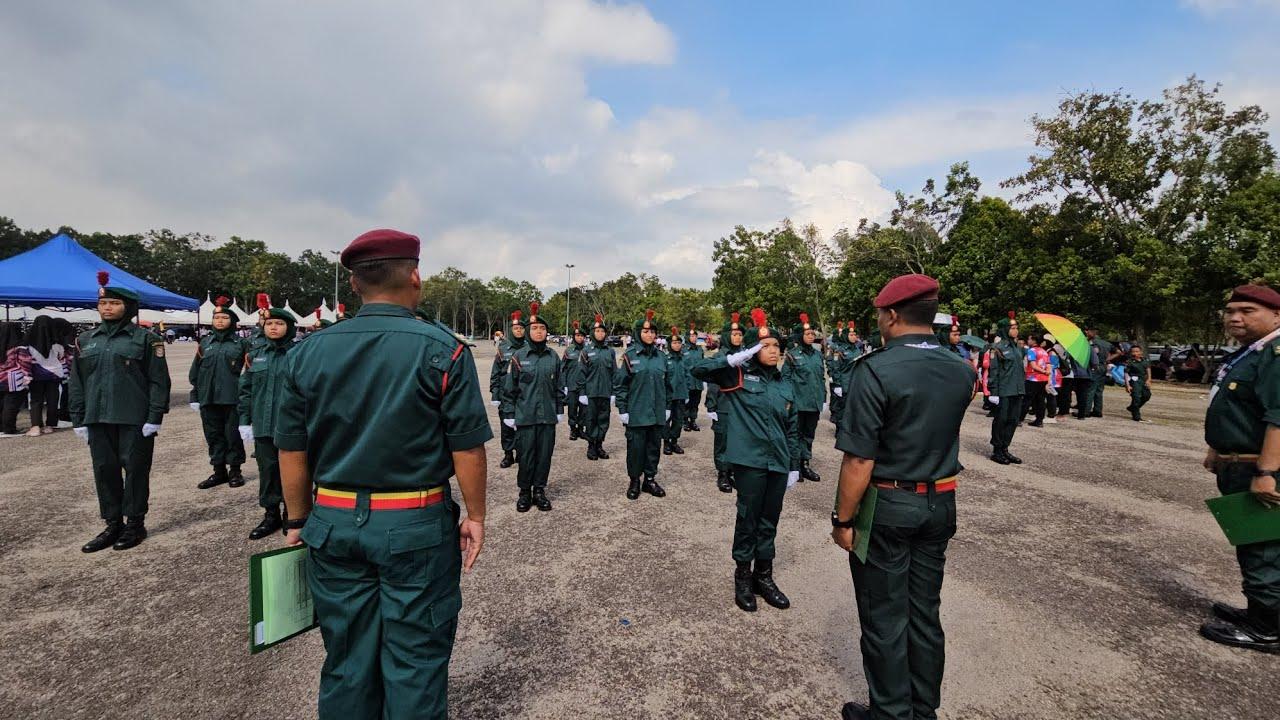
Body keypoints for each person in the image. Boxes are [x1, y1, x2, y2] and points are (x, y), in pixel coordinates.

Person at [276, 228, 491, 719]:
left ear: (353, 285)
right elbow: (467, 448)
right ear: (415, 276)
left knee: (348, 660)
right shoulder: (445, 351)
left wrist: (296, 520)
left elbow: (290, 450)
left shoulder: (305, 353)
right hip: (413, 523)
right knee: (414, 660)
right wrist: (476, 515)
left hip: (331, 520)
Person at [830, 273, 976, 720]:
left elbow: (859, 461)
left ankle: (891, 713)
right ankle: (921, 707)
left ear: (891, 315)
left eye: (879, 315)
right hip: (940, 501)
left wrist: (843, 520)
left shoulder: (874, 369)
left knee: (884, 617)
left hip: (889, 506)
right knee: (924, 613)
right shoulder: (961, 369)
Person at [691, 308, 800, 612]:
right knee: (748, 519)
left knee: (770, 521)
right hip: (750, 462)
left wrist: (794, 464)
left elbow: (792, 429)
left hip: (778, 462)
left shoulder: (784, 383)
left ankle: (763, 577)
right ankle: (742, 577)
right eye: (766, 346)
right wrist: (730, 359)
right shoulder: (738, 374)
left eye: (777, 346)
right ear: (753, 349)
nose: (773, 351)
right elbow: (698, 371)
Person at [1198, 283, 1280, 654]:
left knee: (1262, 545)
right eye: (1231, 311)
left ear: (1276, 315)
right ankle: (1258, 611)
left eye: (1247, 310)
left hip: (1260, 468)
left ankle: (1268, 627)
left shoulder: (1276, 354)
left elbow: (1278, 418)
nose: (1235, 317)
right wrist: (1218, 448)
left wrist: (1266, 473)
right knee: (1254, 543)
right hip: (1240, 461)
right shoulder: (1253, 353)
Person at [71, 271, 171, 553]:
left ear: (128, 308)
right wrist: (78, 417)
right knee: (104, 471)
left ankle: (135, 523)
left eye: (114, 304)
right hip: (97, 418)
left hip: (133, 418)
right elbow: (77, 381)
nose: (107, 308)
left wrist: (154, 416)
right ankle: (112, 523)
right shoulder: (87, 339)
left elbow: (158, 380)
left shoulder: (145, 340)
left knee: (136, 471)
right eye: (104, 304)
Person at [236, 301, 297, 539]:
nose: (273, 327)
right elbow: (246, 390)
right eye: (269, 323)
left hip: (291, 426)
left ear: (289, 327)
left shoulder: (299, 353)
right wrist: (244, 420)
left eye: (279, 323)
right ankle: (270, 514)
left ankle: (292, 514)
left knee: (293, 471)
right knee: (268, 470)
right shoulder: (255, 355)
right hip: (263, 424)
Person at [502, 302, 564, 512]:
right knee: (526, 456)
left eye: (542, 328)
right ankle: (524, 492)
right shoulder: (519, 357)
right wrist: (509, 414)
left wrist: (559, 410)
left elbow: (559, 387)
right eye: (535, 328)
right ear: (528, 332)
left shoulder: (553, 356)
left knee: (544, 455)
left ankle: (539, 490)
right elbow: (510, 389)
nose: (539, 332)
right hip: (526, 416)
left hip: (547, 417)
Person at [189, 296, 250, 489]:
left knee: (232, 435)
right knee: (213, 435)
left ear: (232, 321)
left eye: (224, 318)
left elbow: (249, 371)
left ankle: (235, 471)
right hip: (208, 398)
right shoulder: (206, 343)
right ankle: (218, 471)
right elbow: (196, 371)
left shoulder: (241, 344)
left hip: (232, 398)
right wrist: (195, 396)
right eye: (217, 318)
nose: (220, 321)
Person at [614, 309, 672, 499]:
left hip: (656, 413)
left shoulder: (662, 357)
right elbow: (621, 385)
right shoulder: (630, 357)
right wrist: (623, 409)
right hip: (637, 413)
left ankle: (650, 480)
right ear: (639, 333)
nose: (650, 335)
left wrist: (668, 407)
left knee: (654, 448)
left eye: (653, 332)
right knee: (636, 449)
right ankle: (634, 481)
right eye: (646, 332)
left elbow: (668, 386)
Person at [705, 312, 747, 493]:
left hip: (742, 406)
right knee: (723, 440)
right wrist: (711, 405)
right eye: (734, 334)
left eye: (739, 334)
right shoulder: (719, 357)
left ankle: (733, 472)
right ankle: (722, 473)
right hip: (723, 405)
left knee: (739, 440)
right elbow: (713, 383)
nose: (737, 337)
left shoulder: (746, 356)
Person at [783, 313, 826, 482]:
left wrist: (823, 397)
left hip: (813, 403)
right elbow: (785, 379)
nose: (811, 336)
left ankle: (805, 464)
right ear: (800, 336)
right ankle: (793, 466)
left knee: (809, 435)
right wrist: (788, 400)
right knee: (795, 435)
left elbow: (821, 378)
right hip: (798, 403)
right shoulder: (792, 355)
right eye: (808, 334)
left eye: (813, 334)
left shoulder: (817, 355)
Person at [576, 314, 616, 461]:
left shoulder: (610, 351)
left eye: (603, 331)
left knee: (604, 420)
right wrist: (582, 392)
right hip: (591, 393)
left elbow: (614, 373)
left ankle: (599, 445)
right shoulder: (586, 351)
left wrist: (613, 392)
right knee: (591, 420)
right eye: (597, 331)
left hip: (605, 392)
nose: (600, 334)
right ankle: (591, 446)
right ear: (593, 333)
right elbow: (581, 373)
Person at [490, 309, 526, 468]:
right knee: (506, 425)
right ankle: (508, 454)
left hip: (524, 394)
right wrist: (495, 394)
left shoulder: (528, 347)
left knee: (523, 425)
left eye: (521, 329)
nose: (519, 331)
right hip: (506, 394)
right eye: (516, 329)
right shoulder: (503, 348)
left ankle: (521, 453)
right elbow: (496, 372)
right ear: (511, 330)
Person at [987, 311, 1025, 464]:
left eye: (1016, 327)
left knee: (1013, 420)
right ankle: (996, 450)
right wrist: (993, 392)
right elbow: (994, 371)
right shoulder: (997, 348)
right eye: (1012, 327)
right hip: (1003, 390)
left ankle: (1005, 448)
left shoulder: (1018, 348)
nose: (1016, 330)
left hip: (1017, 389)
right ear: (1004, 329)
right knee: (1001, 420)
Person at [23, 315, 66, 436]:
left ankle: (36, 426)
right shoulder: (58, 342)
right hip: (55, 375)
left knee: (36, 400)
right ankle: (50, 425)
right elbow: (61, 357)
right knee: (53, 399)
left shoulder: (28, 341)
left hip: (36, 375)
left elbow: (25, 359)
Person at [663, 327, 691, 456]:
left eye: (679, 343)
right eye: (674, 343)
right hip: (668, 396)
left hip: (680, 394)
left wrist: (687, 392)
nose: (677, 345)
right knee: (666, 420)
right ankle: (667, 443)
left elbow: (687, 376)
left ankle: (674, 441)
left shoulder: (683, 358)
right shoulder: (665, 358)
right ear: (669, 344)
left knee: (678, 420)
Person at [0, 321, 31, 437]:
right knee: (11, 404)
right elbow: (25, 362)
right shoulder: (19, 346)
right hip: (14, 380)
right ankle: (9, 428)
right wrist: (27, 375)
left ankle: (1, 427)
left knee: (1, 404)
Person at [562, 321, 587, 441]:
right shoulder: (568, 350)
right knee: (572, 409)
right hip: (571, 385)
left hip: (584, 386)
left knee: (584, 409)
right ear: (574, 337)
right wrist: (564, 385)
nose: (579, 337)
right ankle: (573, 429)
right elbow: (563, 368)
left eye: (581, 336)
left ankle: (581, 428)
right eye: (577, 336)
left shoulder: (588, 350)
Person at [684, 324, 703, 433]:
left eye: (695, 336)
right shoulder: (683, 349)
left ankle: (693, 421)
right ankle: (685, 421)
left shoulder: (700, 349)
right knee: (687, 402)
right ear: (687, 337)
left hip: (698, 381)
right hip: (688, 381)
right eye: (691, 336)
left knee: (695, 402)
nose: (694, 338)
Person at [1125, 345, 1152, 422]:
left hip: (1143, 380)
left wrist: (1149, 379)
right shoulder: (1129, 362)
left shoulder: (1145, 360)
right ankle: (1136, 416)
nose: (1135, 353)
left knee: (1147, 395)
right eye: (1133, 351)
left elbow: (1148, 369)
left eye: (1137, 351)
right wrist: (1127, 385)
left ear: (1141, 352)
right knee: (1136, 397)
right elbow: (1126, 374)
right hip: (1134, 381)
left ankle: (1132, 408)